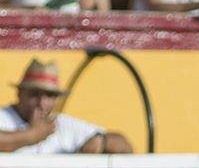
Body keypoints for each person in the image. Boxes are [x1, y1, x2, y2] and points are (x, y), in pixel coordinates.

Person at [0, 58, 131, 154]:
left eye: (49, 96)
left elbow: (123, 145)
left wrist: (101, 141)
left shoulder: (62, 124)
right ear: (20, 93)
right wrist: (32, 135)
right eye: (34, 94)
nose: (41, 103)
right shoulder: (4, 117)